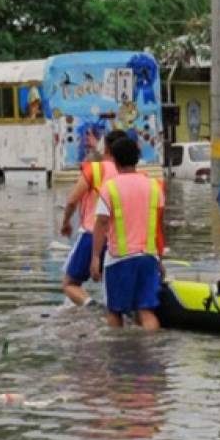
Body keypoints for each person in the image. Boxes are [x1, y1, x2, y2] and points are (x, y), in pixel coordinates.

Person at [90, 137, 165, 331]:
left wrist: (95, 257)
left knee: (115, 311)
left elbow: (101, 223)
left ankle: (118, 353)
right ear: (137, 158)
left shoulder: (110, 188)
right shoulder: (155, 186)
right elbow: (157, 227)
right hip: (149, 257)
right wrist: (160, 260)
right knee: (146, 311)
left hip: (119, 259)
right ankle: (154, 352)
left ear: (114, 160)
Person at [60, 129, 128, 307]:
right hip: (120, 239)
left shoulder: (94, 169)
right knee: (113, 288)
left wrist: (66, 222)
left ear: (106, 148)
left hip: (91, 234)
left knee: (70, 283)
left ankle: (90, 305)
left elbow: (72, 200)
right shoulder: (129, 173)